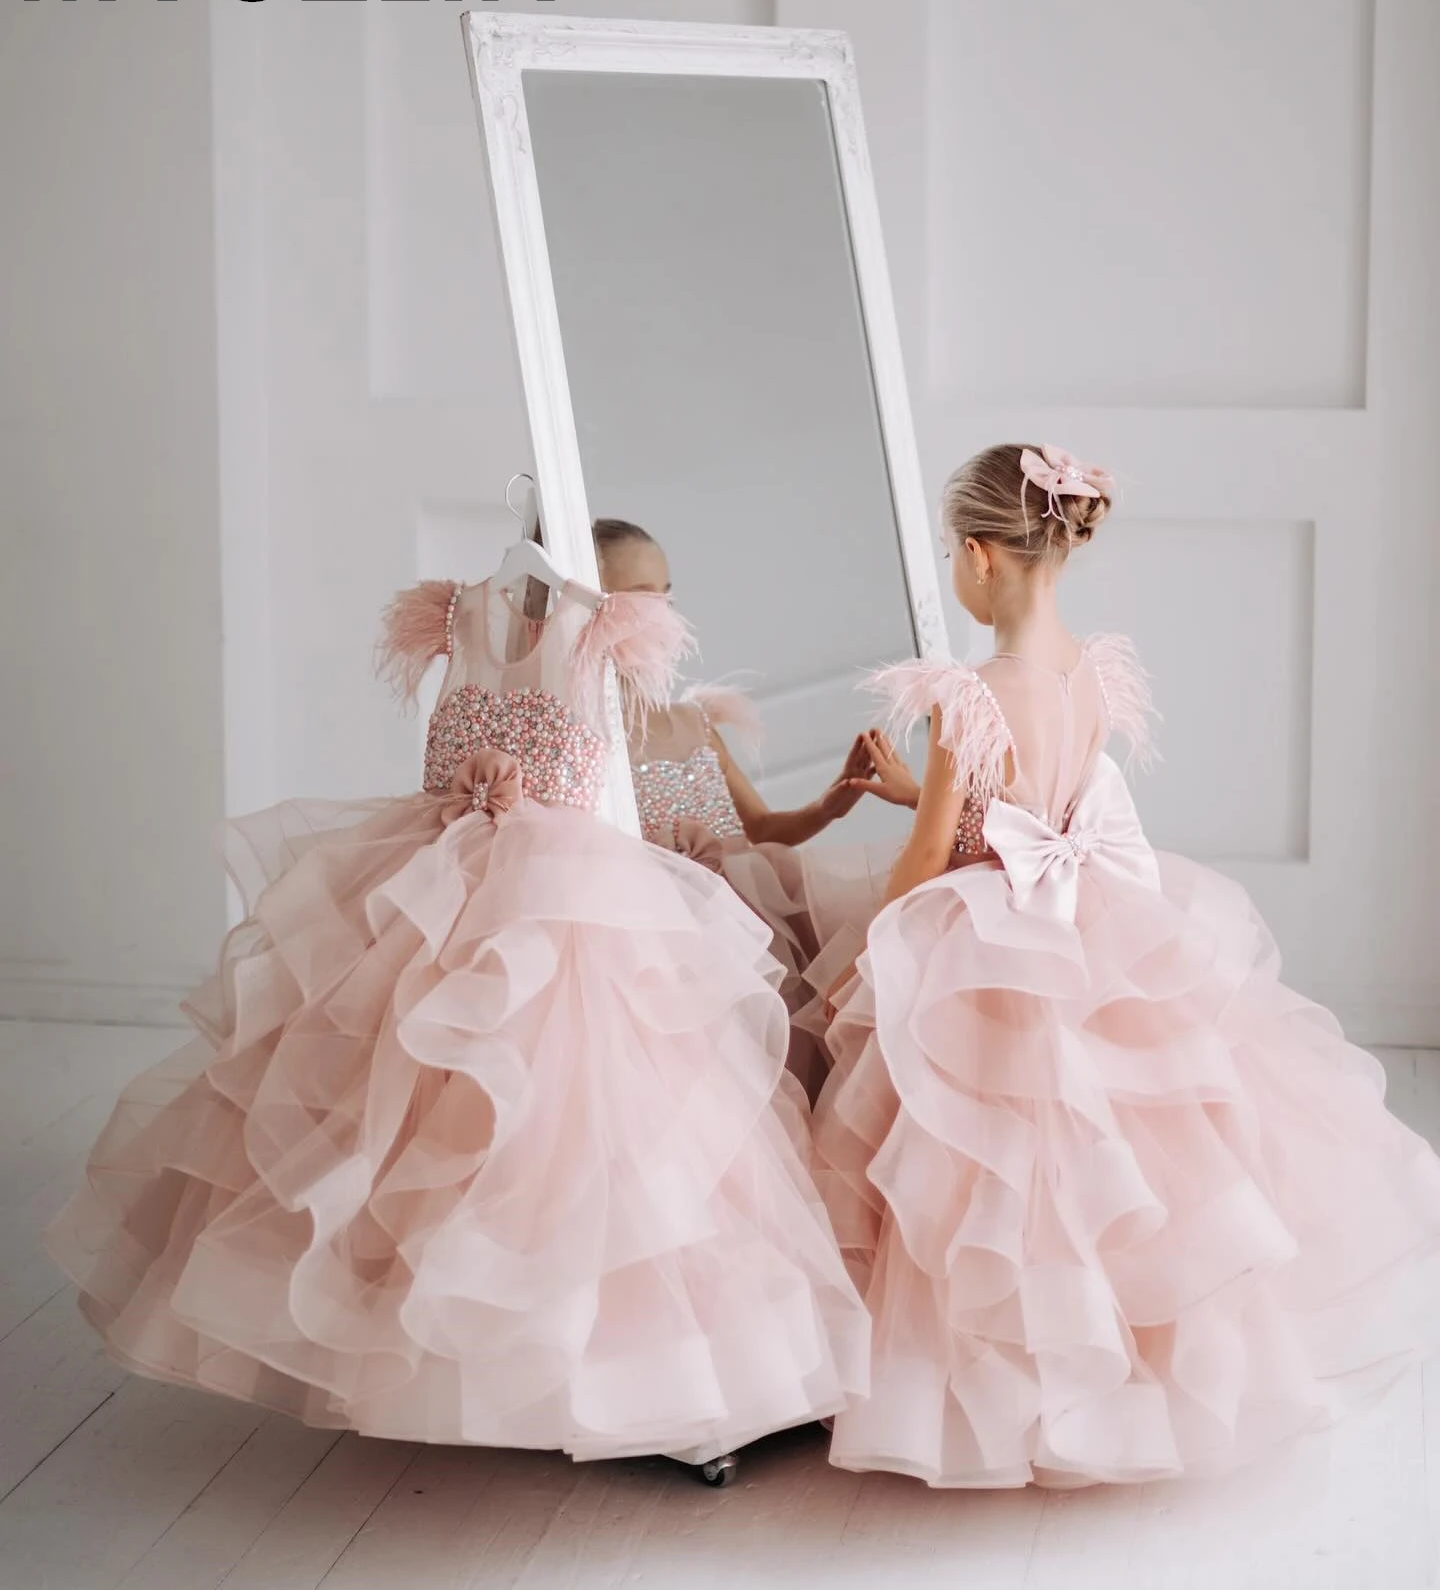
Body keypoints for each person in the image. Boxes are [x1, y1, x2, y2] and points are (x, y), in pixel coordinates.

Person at [45, 568, 868, 1470]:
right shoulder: (454, 616)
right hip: (441, 883)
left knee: (586, 1112)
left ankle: (626, 1365)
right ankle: (432, 1340)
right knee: (416, 1105)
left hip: (565, 893)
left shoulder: (600, 634)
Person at [813, 442, 1440, 1487]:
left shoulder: (966, 693)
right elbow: (1027, 811)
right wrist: (905, 792)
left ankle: (988, 1390)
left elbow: (940, 852)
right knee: (1116, 1153)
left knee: (992, 1160)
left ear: (978, 558)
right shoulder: (1093, 675)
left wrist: (883, 939)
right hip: (1088, 918)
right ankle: (1124, 1369)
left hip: (997, 929)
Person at [593, 517, 873, 1102]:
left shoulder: (693, 721)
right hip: (670, 934)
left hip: (749, 918)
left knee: (784, 1054)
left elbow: (762, 827)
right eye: (642, 599)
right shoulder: (590, 735)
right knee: (715, 1080)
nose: (662, 614)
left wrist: (831, 805)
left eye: (667, 596)